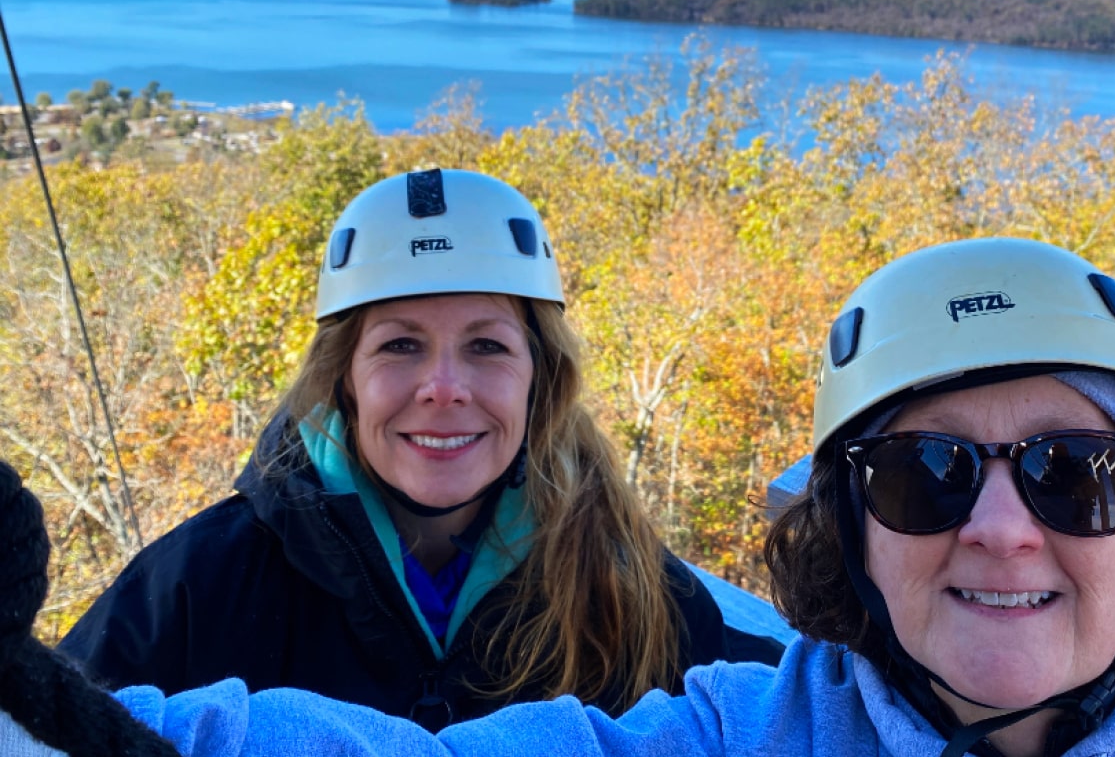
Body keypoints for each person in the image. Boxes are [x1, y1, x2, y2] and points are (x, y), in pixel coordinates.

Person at [12, 236, 1115, 756]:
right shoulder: (756, 731)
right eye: (922, 472)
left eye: (1077, 471)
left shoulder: (640, 591)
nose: (999, 526)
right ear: (849, 527)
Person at [57, 168, 782, 729]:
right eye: (400, 345)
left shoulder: (629, 587)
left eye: (487, 346)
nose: (443, 387)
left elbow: (776, 717)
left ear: (540, 379)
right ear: (343, 380)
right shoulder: (199, 588)